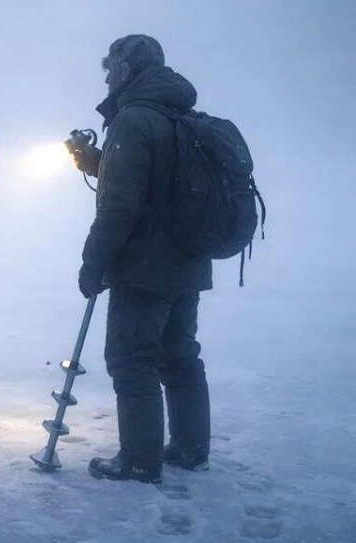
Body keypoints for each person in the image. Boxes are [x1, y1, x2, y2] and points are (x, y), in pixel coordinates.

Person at [74, 35, 211, 484]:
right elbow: (155, 184)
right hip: (187, 261)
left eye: (109, 66)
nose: (107, 75)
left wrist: (93, 262)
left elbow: (122, 206)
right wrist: (97, 162)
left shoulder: (133, 120)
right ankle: (190, 450)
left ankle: (138, 460)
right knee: (179, 356)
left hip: (143, 267)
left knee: (131, 359)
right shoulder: (178, 115)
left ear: (127, 70)